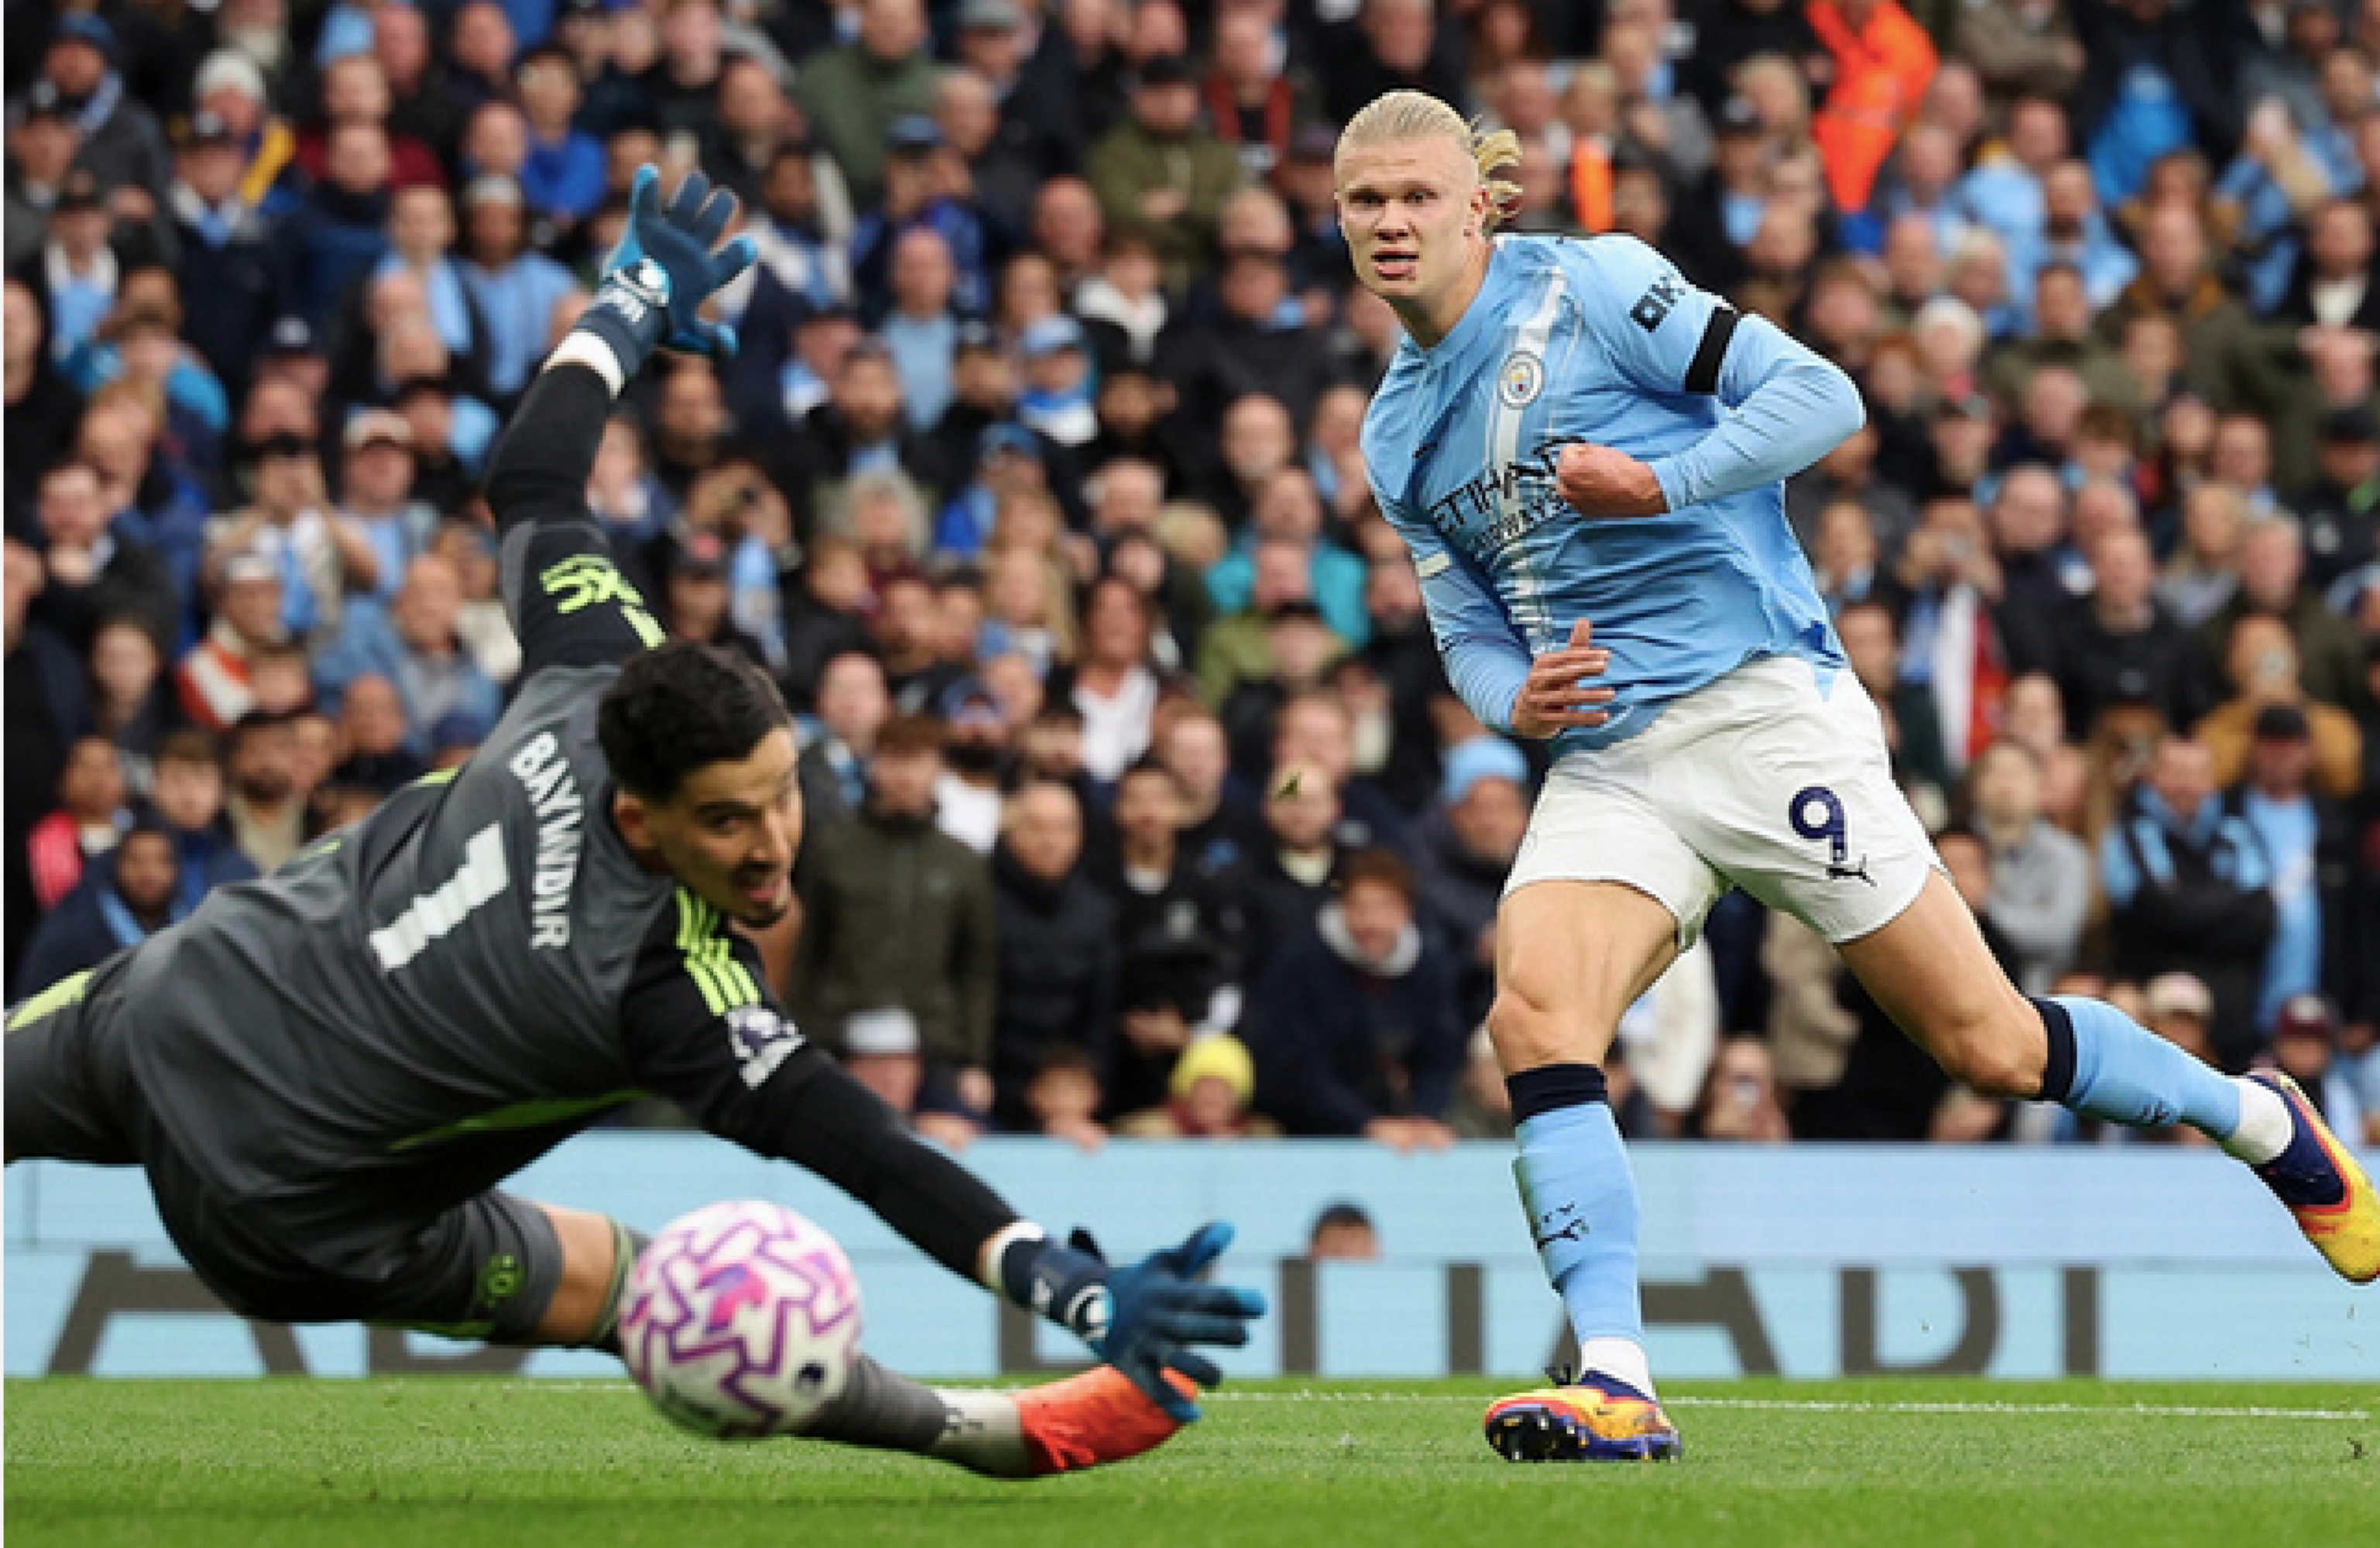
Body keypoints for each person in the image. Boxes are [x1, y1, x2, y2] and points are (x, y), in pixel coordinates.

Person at [6, 169, 1262, 1477]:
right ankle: (988, 1436)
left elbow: (531, 476)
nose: (771, 844)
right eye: (725, 822)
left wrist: (631, 298)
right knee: (655, 1294)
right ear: (639, 816)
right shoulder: (665, 982)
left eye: (781, 791)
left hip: (172, 996)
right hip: (284, 1205)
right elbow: (867, 1151)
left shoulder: (596, 670)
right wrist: (1067, 1285)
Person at [1333, 92, 2377, 1464]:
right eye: (1364, 201)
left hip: (1761, 712)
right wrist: (1504, 700)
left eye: (1416, 195)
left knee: (1990, 1046)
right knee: (1533, 1017)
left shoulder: (1592, 287)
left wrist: (1659, 483)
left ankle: (2256, 1117)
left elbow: (1821, 398)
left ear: (1479, 203)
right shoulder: (1392, 431)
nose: (1391, 222)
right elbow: (1463, 623)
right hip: (1609, 761)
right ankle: (1616, 1378)